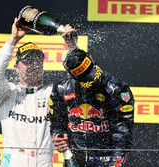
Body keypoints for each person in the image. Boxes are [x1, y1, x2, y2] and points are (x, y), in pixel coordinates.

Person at [48, 25, 134, 167]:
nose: (91, 80)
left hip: (107, 160)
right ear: (73, 77)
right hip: (74, 159)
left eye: (91, 73)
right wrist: (58, 136)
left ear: (91, 59)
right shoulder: (61, 89)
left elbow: (122, 136)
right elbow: (57, 122)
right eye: (85, 79)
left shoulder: (117, 89)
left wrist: (115, 163)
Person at [0, 17, 53, 167]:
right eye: (28, 61)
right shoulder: (7, 93)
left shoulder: (53, 93)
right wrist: (13, 40)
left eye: (37, 60)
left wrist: (72, 45)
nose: (33, 64)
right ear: (16, 67)